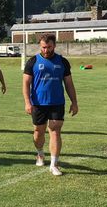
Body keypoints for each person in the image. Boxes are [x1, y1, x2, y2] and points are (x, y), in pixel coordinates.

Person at [22, 33, 78, 176]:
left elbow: (69, 84)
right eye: (43, 47)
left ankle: (54, 164)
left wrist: (74, 102)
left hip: (57, 103)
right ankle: (40, 153)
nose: (46, 50)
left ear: (54, 46)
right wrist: (27, 102)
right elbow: (26, 83)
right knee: (38, 133)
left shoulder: (63, 62)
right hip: (38, 104)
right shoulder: (33, 61)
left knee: (55, 131)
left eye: (49, 47)